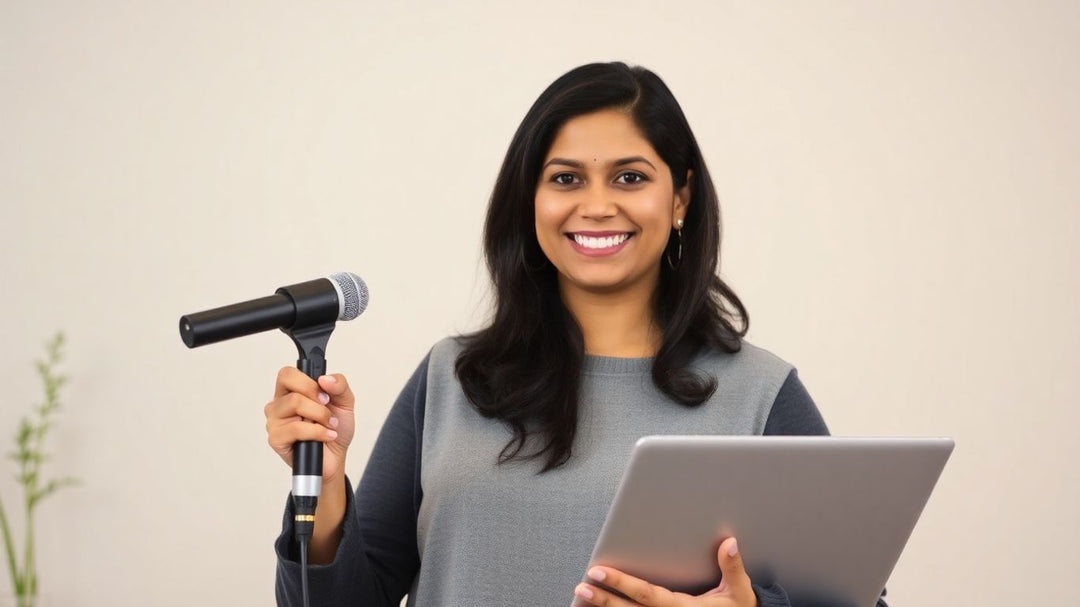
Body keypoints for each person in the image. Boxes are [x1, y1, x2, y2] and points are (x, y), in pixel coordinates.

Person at [265, 62, 885, 606]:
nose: (595, 205)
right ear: (530, 199)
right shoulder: (451, 379)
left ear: (680, 199)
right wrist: (321, 486)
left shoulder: (759, 393)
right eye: (565, 178)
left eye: (630, 177)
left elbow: (857, 601)